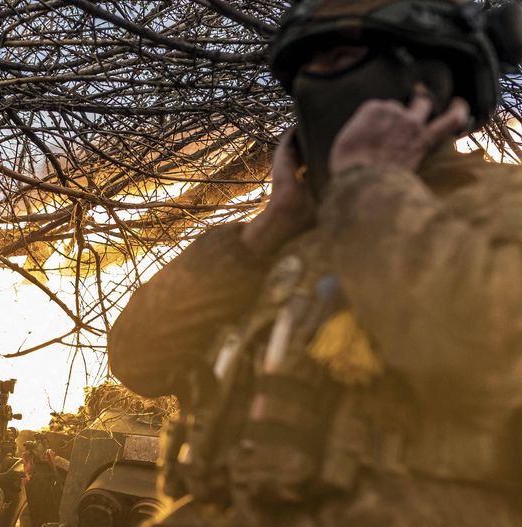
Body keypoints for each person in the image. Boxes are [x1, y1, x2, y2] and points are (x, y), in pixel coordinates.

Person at [108, 0, 522, 525]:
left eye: (341, 58)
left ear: (428, 82)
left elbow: (488, 354)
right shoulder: (289, 239)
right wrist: (260, 237)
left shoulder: (500, 206)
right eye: (305, 68)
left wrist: (371, 188)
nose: (314, 86)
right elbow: (138, 359)